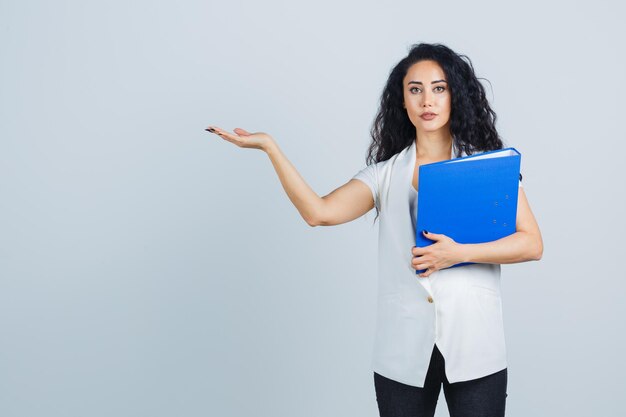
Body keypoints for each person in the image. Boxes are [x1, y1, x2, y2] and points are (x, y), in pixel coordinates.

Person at [205, 42, 543, 417]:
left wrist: (460, 253)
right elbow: (319, 212)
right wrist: (270, 147)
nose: (426, 100)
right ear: (402, 101)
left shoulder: (488, 168)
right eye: (415, 89)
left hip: (475, 345)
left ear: (455, 96)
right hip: (402, 353)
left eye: (439, 88)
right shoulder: (384, 175)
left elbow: (531, 243)